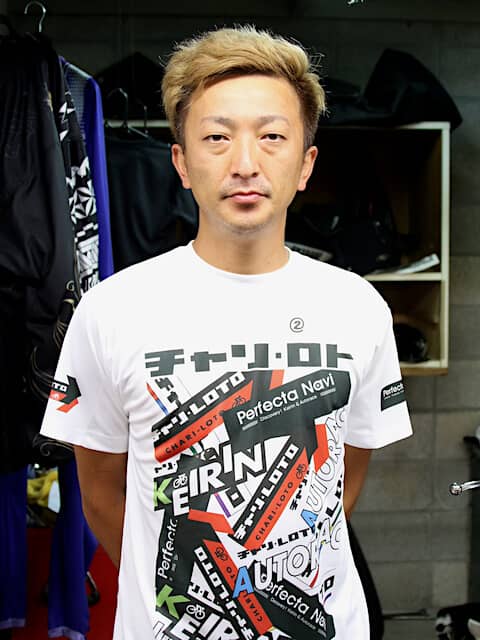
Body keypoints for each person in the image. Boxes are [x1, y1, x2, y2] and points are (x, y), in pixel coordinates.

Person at [41, 25, 412, 640]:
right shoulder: (111, 310)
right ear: (182, 163)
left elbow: (340, 484)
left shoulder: (358, 308)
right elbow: (100, 495)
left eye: (272, 137)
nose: (245, 164)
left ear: (305, 165)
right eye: (217, 137)